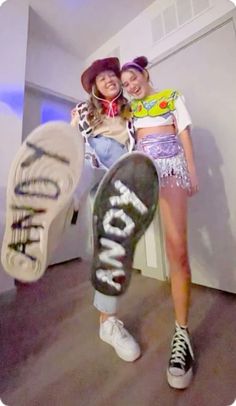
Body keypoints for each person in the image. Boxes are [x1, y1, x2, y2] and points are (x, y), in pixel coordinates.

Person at [71, 57, 158, 363]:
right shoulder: (83, 114)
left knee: (115, 254)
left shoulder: (130, 111)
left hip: (125, 185)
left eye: (112, 75)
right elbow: (74, 148)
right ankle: (67, 197)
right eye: (102, 77)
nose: (109, 79)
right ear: (93, 87)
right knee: (96, 154)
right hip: (97, 176)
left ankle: (107, 324)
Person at [121, 56, 199, 389]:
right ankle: (109, 321)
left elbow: (183, 132)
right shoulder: (129, 113)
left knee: (177, 249)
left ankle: (182, 335)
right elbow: (126, 146)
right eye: (124, 83)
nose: (129, 85)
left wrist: (192, 170)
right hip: (141, 174)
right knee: (120, 243)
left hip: (171, 170)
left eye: (132, 78)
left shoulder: (171, 97)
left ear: (145, 74)